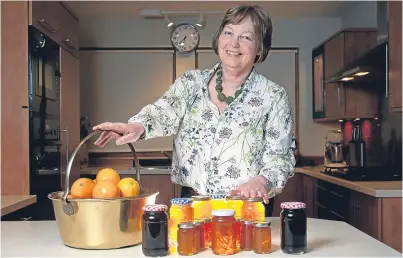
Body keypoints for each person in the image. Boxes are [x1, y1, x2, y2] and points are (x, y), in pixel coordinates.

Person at [92, 4, 296, 217]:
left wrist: (261, 181)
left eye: (246, 37)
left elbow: (280, 158)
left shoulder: (273, 96)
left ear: (260, 49)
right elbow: (163, 112)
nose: (233, 43)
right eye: (228, 33)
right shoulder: (191, 82)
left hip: (246, 208)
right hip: (192, 203)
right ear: (218, 39)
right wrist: (135, 126)